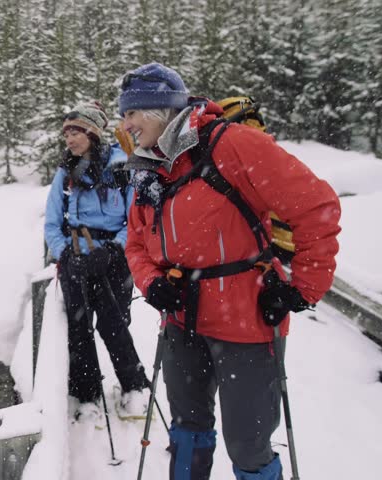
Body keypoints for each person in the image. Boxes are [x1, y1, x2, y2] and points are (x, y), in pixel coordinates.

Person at [118, 63, 341, 480]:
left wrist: (302, 289)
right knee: (186, 429)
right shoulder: (148, 169)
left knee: (248, 443)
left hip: (247, 322)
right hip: (182, 320)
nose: (124, 124)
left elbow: (317, 207)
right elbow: (134, 243)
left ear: (157, 110)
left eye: (130, 113)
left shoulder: (231, 145)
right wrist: (150, 283)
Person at [44, 101, 150, 420]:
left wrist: (114, 250)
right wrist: (63, 252)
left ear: (92, 133)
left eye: (76, 132)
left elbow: (136, 220)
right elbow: (51, 223)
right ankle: (87, 393)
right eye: (66, 134)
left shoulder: (122, 167)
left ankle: (134, 387)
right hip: (75, 257)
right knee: (78, 327)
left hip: (113, 257)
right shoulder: (65, 173)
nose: (70, 139)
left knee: (113, 323)